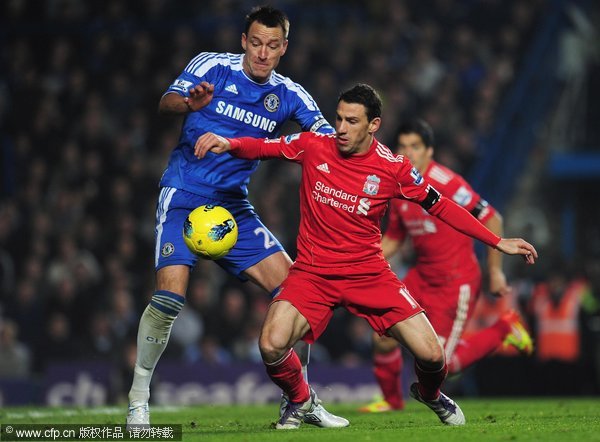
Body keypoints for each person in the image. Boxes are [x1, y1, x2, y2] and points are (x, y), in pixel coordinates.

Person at [194, 83, 538, 429]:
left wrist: (496, 241)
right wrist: (230, 144)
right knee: (270, 344)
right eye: (339, 118)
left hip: (368, 274)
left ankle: (430, 394)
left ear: (374, 124)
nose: (341, 128)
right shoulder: (313, 145)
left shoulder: (394, 168)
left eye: (352, 121)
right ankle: (301, 400)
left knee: (434, 357)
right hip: (314, 273)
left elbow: (442, 206)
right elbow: (263, 147)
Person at [126, 5, 348, 429]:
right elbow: (166, 102)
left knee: (299, 291)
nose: (262, 53)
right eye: (255, 43)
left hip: (232, 206)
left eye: (272, 46)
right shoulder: (212, 65)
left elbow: (326, 139)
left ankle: (300, 401)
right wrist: (188, 103)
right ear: (243, 41)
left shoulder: (289, 94)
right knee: (170, 298)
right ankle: (139, 399)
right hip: (185, 194)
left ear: (284, 47)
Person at [359, 119, 534, 413]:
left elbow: (492, 217)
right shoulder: (398, 183)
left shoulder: (447, 182)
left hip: (456, 283)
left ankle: (505, 328)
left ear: (429, 151)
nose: (408, 153)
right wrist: (361, 258)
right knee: (382, 332)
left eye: (415, 146)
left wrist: (495, 270)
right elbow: (395, 237)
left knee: (442, 365)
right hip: (421, 276)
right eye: (402, 146)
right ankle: (391, 401)